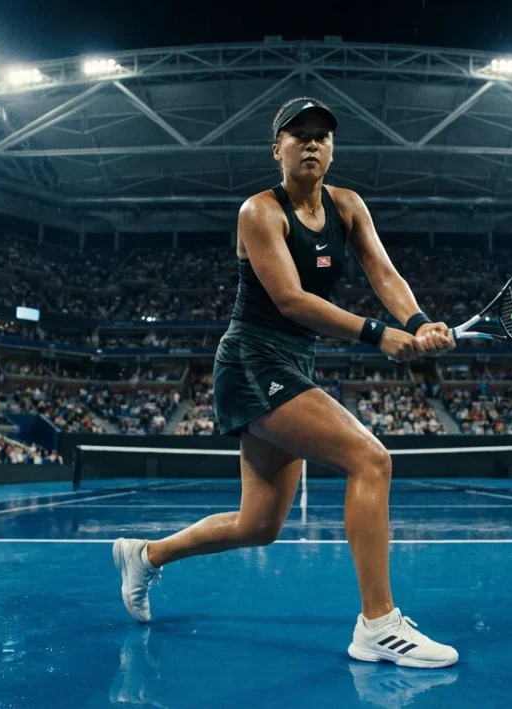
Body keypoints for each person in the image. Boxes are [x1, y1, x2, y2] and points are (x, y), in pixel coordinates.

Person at [113, 97, 459, 668]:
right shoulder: (260, 212)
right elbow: (291, 300)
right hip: (253, 361)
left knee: (260, 525)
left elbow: (383, 271)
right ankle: (378, 625)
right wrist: (379, 335)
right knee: (371, 461)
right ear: (277, 148)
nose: (312, 143)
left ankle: (145, 555)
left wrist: (419, 323)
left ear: (332, 149)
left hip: (293, 364)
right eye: (298, 135)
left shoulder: (347, 206)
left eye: (322, 135)